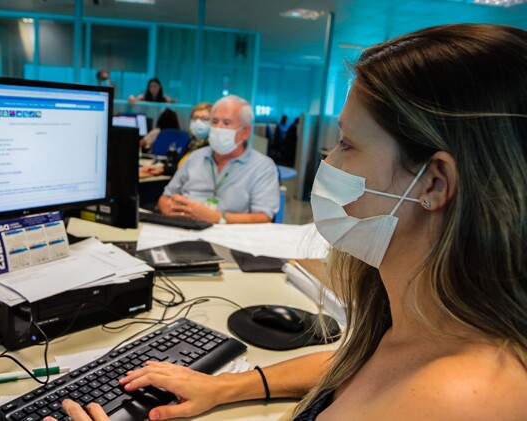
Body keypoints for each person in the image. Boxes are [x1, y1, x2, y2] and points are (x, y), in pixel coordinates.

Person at [46, 24, 527, 421]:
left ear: (434, 183)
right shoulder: (424, 319)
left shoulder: (458, 397)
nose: (328, 160)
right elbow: (357, 363)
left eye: (347, 143)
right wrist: (227, 387)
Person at [157, 94, 279, 224]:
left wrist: (216, 218)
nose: (218, 128)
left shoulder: (263, 167)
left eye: (226, 123)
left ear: (245, 132)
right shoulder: (195, 157)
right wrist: (169, 210)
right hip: (185, 228)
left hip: (231, 236)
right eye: (214, 122)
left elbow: (263, 217)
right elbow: (165, 198)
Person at [140, 102, 213, 177]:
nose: (198, 122)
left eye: (204, 119)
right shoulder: (192, 143)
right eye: (195, 118)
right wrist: (163, 169)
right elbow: (182, 166)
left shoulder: (213, 148)